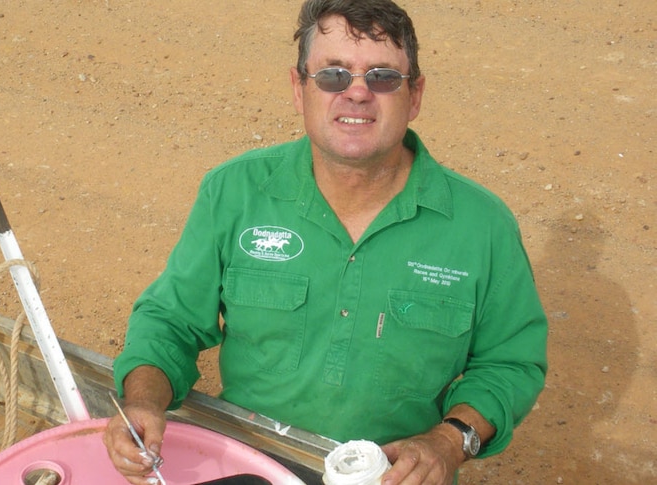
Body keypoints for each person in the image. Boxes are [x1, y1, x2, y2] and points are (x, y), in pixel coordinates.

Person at [103, 0, 548, 484]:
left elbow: (510, 362)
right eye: (333, 75)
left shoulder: (482, 226)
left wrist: (447, 442)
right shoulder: (234, 193)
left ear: (414, 95)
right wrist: (143, 400)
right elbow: (170, 322)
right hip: (250, 465)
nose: (357, 93)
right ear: (299, 89)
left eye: (382, 77)